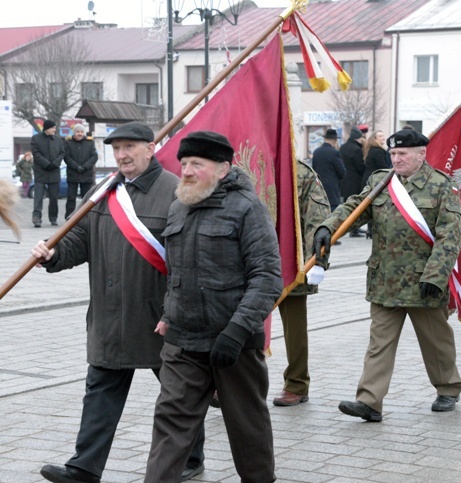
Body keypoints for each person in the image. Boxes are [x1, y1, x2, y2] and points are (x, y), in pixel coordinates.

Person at [33, 122, 205, 483]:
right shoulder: (103, 192)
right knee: (100, 391)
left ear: (151, 147)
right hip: (110, 314)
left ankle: (191, 457)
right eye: (117, 148)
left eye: (130, 146)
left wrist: (177, 310)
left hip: (161, 316)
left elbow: (190, 259)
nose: (123, 154)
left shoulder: (176, 192)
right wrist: (53, 254)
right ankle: (83, 467)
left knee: (179, 393)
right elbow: (79, 239)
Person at [145, 131, 283, 483]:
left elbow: (267, 277)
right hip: (183, 342)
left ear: (223, 169)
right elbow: (176, 271)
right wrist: (167, 314)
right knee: (170, 424)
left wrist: (236, 333)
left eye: (197, 164)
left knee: (247, 427)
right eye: (184, 163)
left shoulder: (247, 208)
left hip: (233, 345)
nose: (187, 171)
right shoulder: (179, 206)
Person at [313, 129, 461, 422]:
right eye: (393, 154)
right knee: (379, 343)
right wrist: (328, 227)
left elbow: (450, 236)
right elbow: (355, 207)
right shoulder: (381, 181)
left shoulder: (441, 186)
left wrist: (435, 276)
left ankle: (447, 388)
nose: (396, 159)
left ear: (421, 154)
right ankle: (369, 401)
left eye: (402, 154)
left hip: (424, 283)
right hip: (385, 280)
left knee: (436, 342)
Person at [272, 161, 331, 407]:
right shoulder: (244, 163)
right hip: (245, 258)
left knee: (294, 329)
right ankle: (232, 384)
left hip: (288, 260)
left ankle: (296, 383)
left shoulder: (300, 172)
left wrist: (316, 261)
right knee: (240, 324)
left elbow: (317, 217)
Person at [31, 119, 65, 227]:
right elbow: (36, 154)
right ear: (47, 128)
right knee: (38, 197)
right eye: (53, 128)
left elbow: (62, 153)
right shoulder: (36, 139)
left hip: (54, 172)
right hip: (41, 172)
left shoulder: (58, 140)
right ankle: (36, 218)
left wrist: (55, 163)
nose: (55, 129)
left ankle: (53, 218)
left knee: (54, 198)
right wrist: (47, 164)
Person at [64, 124, 98, 218]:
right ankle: (69, 216)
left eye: (81, 132)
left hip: (86, 174)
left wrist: (85, 167)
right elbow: (67, 157)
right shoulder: (68, 143)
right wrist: (76, 167)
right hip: (73, 174)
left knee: (86, 197)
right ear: (74, 133)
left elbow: (94, 156)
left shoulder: (89, 142)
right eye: (78, 132)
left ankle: (86, 217)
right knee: (71, 198)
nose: (80, 134)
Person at [339, 127, 366, 237]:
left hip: (345, 179)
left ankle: (347, 228)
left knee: (347, 205)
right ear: (358, 138)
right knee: (356, 205)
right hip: (355, 180)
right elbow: (360, 166)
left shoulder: (343, 147)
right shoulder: (356, 149)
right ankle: (355, 229)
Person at [312, 128, 346, 212]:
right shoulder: (334, 153)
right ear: (335, 140)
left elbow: (313, 170)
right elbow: (342, 172)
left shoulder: (316, 152)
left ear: (324, 139)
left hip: (319, 189)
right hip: (332, 192)